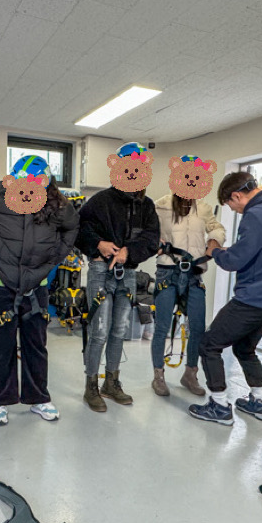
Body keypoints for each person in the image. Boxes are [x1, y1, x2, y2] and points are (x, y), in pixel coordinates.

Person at [0, 155, 79, 426]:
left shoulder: (56, 202)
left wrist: (54, 257)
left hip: (37, 285)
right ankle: (0, 401)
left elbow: (72, 227)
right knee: (2, 346)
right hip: (0, 282)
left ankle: (38, 398)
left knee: (36, 345)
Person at [187, 171, 262, 426]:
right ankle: (260, 401)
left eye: (231, 205)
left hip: (254, 298)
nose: (234, 210)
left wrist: (216, 253)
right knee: (244, 347)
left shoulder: (257, 214)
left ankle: (219, 405)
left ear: (237, 195)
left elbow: (235, 261)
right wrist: (232, 250)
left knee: (209, 345)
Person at [75, 143, 160, 412]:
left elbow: (151, 239)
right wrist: (97, 244)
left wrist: (129, 251)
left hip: (129, 274)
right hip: (101, 272)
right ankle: (91, 386)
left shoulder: (146, 206)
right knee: (99, 331)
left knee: (119, 331)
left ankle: (111, 383)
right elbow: (78, 229)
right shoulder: (100, 200)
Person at [151, 159, 226, 397]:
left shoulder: (203, 208)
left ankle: (190, 374)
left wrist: (213, 242)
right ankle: (158, 376)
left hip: (193, 274)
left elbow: (217, 227)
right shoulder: (160, 206)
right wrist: (154, 243)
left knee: (197, 328)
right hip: (167, 271)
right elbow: (147, 232)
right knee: (162, 327)